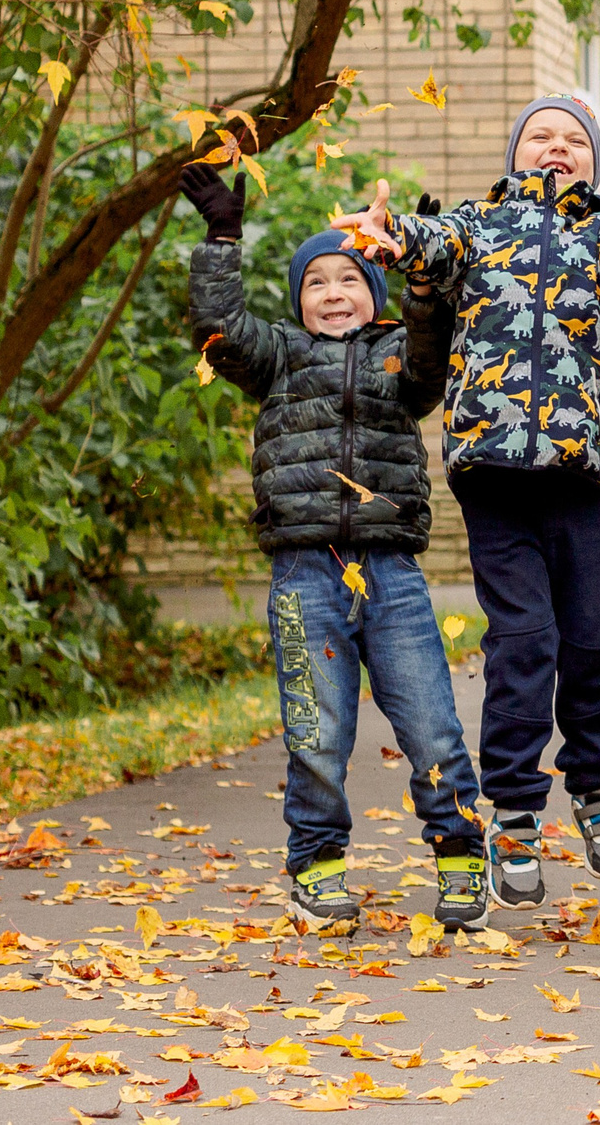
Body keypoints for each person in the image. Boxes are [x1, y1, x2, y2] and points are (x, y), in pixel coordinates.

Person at [333, 92, 600, 911]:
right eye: (541, 134)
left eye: (574, 139)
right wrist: (395, 239)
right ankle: (515, 812)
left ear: (590, 163)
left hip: (580, 475)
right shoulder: (478, 222)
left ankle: (596, 782)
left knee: (589, 639)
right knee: (523, 642)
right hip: (494, 473)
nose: (557, 147)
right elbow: (429, 249)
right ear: (514, 152)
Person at [182, 164, 487, 933]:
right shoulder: (277, 356)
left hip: (391, 572)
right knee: (316, 730)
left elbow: (432, 355)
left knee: (431, 723)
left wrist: (419, 278)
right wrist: (222, 238)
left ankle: (458, 853)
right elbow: (217, 331)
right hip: (304, 572)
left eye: (348, 277)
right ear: (299, 301)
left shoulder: (398, 359)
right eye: (315, 281)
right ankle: (316, 866)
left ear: (371, 292)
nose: (332, 292)